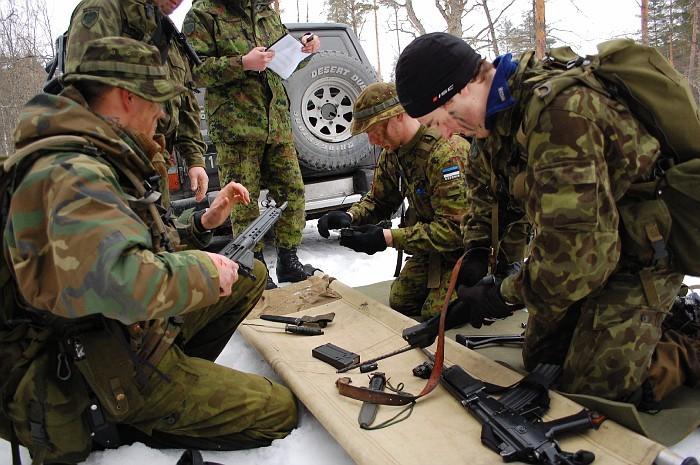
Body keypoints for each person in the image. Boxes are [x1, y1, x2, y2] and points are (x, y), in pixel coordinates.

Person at [1, 37, 296, 464]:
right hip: (98, 366)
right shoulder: (74, 173)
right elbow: (117, 282)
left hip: (122, 334)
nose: (162, 118)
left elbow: (126, 244)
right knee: (278, 411)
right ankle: (140, 417)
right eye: (158, 104)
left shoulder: (90, 155)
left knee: (244, 275)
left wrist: (202, 224)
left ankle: (175, 382)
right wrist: (201, 272)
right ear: (127, 96)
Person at [394, 32, 699, 405]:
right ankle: (635, 324)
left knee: (592, 386)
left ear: (462, 89)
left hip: (646, 250)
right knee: (542, 358)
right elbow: (485, 195)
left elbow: (578, 260)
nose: (445, 132)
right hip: (595, 242)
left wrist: (501, 297)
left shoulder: (559, 116)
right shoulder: (494, 122)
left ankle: (686, 342)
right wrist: (476, 250)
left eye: (441, 119)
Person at [183, 0, 321, 289]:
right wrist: (242, 63)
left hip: (276, 122)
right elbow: (193, 71)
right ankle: (254, 269)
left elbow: (283, 62)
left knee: (292, 191)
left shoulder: (265, 12)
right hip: (237, 127)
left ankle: (288, 259)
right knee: (244, 201)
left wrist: (304, 50)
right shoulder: (204, 13)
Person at [317, 82, 470, 320]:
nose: (372, 140)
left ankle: (493, 283)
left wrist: (387, 238)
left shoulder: (445, 152)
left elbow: (455, 230)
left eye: (374, 130)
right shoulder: (394, 154)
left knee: (437, 314)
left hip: (470, 250)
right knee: (402, 301)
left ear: (398, 116)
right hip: (432, 249)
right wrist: (349, 216)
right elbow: (380, 201)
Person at [65, 0, 209, 205]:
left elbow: (184, 101)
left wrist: (194, 159)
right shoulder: (105, 10)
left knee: (159, 232)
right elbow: (84, 95)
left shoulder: (169, 33)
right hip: (115, 168)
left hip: (153, 166)